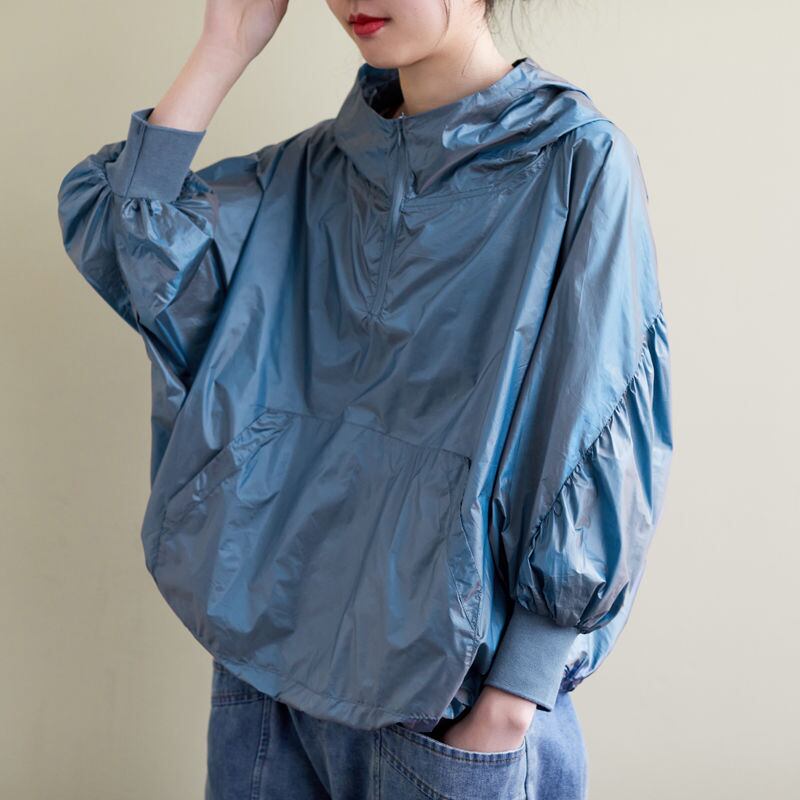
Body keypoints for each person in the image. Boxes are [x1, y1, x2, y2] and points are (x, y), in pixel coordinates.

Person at [56, 1, 674, 798]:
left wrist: (512, 700)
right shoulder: (314, 170)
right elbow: (124, 236)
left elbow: (603, 425)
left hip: (448, 705)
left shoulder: (576, 162)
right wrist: (222, 47)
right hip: (267, 682)